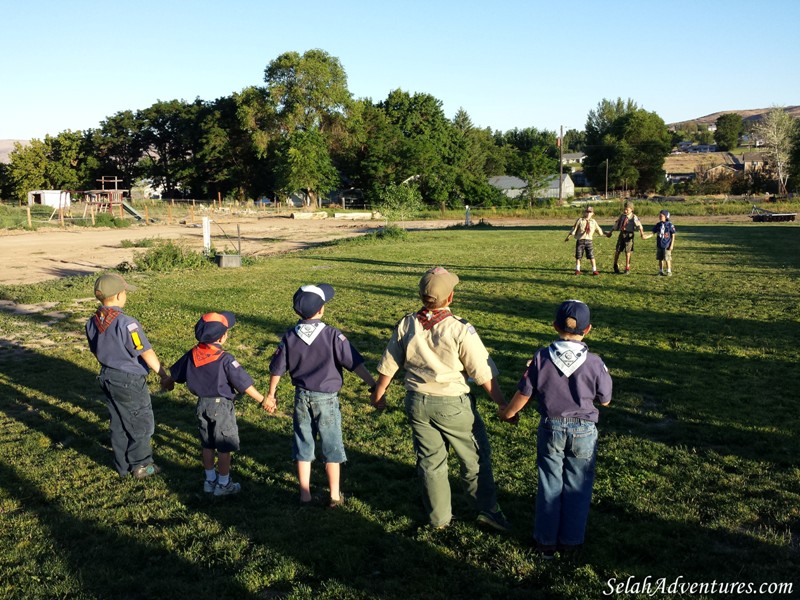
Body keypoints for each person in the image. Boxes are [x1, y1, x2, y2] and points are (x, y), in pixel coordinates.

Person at [371, 267, 511, 531]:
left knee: (430, 461)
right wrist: (503, 403)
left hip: (416, 402)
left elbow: (389, 364)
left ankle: (438, 518)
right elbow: (482, 373)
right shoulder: (459, 328)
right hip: (452, 405)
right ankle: (487, 510)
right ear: (450, 298)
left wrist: (378, 395)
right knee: (475, 458)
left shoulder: (406, 323)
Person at [499, 300, 612, 558]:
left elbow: (524, 393)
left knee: (549, 484)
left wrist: (508, 413)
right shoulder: (595, 362)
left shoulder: (541, 357)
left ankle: (546, 543)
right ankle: (571, 542)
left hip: (551, 427)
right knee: (578, 486)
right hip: (584, 430)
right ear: (589, 329)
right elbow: (605, 399)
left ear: (554, 325)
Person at [265, 284, 377, 507]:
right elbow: (354, 364)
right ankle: (335, 496)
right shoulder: (333, 335)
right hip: (326, 400)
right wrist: (373, 384)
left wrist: (271, 394)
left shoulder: (289, 337)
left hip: (301, 398)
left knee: (303, 445)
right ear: (321, 309)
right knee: (332, 446)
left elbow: (277, 368)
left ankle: (304, 495)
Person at [169, 311, 269, 496]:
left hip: (202, 406)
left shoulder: (192, 354)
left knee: (207, 444)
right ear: (222, 337)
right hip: (221, 407)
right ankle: (224, 483)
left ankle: (209, 480)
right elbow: (244, 384)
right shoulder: (226, 359)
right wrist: (263, 399)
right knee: (224, 446)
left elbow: (175, 375)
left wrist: (166, 382)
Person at [85, 273, 172, 479]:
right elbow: (145, 351)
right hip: (128, 380)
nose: (125, 296)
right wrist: (162, 374)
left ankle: (123, 465)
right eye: (124, 292)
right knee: (140, 421)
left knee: (118, 422)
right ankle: (142, 464)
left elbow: (96, 351)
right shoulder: (127, 323)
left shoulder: (92, 322)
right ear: (117, 296)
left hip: (107, 376)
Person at [606, 201, 647, 274]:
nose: (625, 211)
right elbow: (616, 224)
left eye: (627, 209)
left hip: (629, 235)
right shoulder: (622, 216)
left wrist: (642, 234)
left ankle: (627, 267)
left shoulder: (634, 217)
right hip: (622, 234)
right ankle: (615, 265)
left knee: (628, 252)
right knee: (618, 250)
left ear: (631, 209)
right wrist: (610, 232)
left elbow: (640, 226)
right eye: (624, 209)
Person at [564, 205, 605, 275]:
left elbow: (599, 230)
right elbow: (574, 229)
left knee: (591, 256)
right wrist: (568, 236)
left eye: (590, 212)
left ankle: (594, 270)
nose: (588, 213)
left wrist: (605, 234)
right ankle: (577, 270)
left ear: (593, 213)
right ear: (584, 212)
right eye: (587, 212)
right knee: (578, 256)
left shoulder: (593, 222)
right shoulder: (580, 220)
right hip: (580, 240)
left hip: (589, 241)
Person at [651, 209, 676, 276]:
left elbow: (673, 235)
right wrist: (645, 236)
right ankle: (661, 270)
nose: (660, 217)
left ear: (666, 217)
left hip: (666, 245)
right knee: (660, 258)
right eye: (659, 215)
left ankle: (669, 271)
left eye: (661, 216)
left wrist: (671, 245)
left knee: (667, 258)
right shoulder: (658, 225)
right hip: (659, 244)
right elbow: (653, 232)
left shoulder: (670, 225)